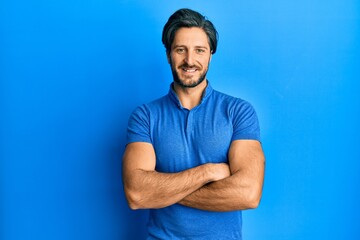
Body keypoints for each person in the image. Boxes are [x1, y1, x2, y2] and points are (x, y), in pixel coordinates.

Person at [122, 8, 265, 239]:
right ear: (169, 54)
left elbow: (248, 194)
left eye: (199, 50)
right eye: (181, 50)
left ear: (210, 54)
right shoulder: (145, 117)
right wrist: (208, 172)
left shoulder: (238, 111)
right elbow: (137, 194)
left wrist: (162, 189)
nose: (190, 60)